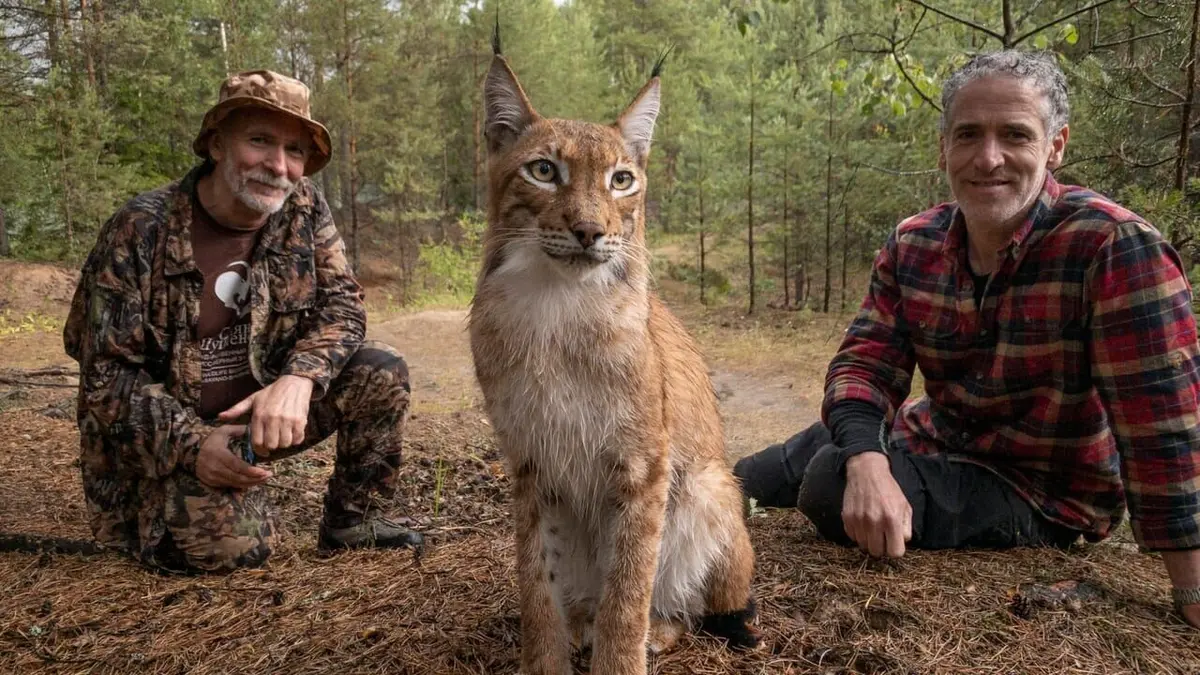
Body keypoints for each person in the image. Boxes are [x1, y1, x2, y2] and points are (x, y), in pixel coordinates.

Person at [734, 50, 1200, 628]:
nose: (988, 158)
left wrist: (1190, 588)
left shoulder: (1112, 246)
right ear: (943, 148)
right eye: (968, 135)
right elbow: (865, 365)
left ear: (1055, 146)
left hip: (1043, 489)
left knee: (830, 481)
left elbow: (1161, 421)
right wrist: (869, 458)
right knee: (751, 475)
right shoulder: (914, 243)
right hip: (936, 438)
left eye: (1015, 135)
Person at [63, 70, 424, 573]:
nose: (278, 166)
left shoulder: (303, 207)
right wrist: (193, 445)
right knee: (238, 550)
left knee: (381, 371)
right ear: (216, 144)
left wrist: (300, 378)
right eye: (260, 141)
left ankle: (354, 520)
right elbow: (105, 380)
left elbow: (343, 303)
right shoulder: (140, 229)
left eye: (295, 151)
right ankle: (168, 507)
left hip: (262, 417)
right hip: (171, 434)